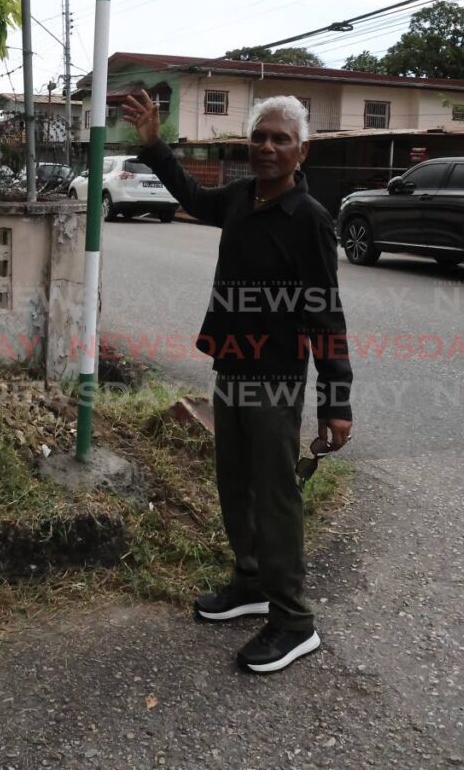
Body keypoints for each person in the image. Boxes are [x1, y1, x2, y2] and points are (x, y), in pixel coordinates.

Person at [121, 91, 353, 674]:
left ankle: (293, 620)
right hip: (231, 367)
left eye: (281, 139)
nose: (268, 147)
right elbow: (194, 197)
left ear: (301, 151)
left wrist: (335, 400)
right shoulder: (242, 199)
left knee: (275, 500)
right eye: (260, 137)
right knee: (235, 485)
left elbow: (325, 313)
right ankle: (250, 582)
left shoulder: (309, 221)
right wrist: (153, 145)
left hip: (275, 380)